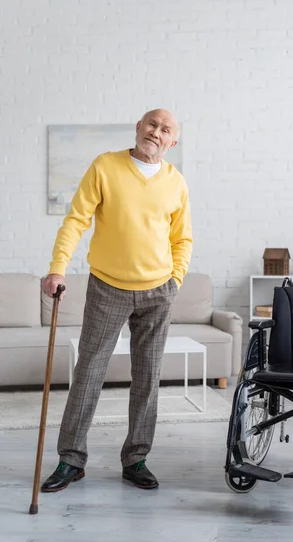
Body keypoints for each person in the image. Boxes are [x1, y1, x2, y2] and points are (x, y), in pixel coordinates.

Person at [40, 108, 192, 493]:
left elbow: (182, 239)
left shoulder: (176, 183)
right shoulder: (105, 166)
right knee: (89, 371)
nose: (156, 132)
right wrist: (58, 268)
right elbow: (76, 220)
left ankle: (136, 459)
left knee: (147, 377)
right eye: (151, 125)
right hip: (107, 286)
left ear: (172, 142)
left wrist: (175, 279)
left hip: (159, 291)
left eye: (165, 130)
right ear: (138, 128)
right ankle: (70, 460)